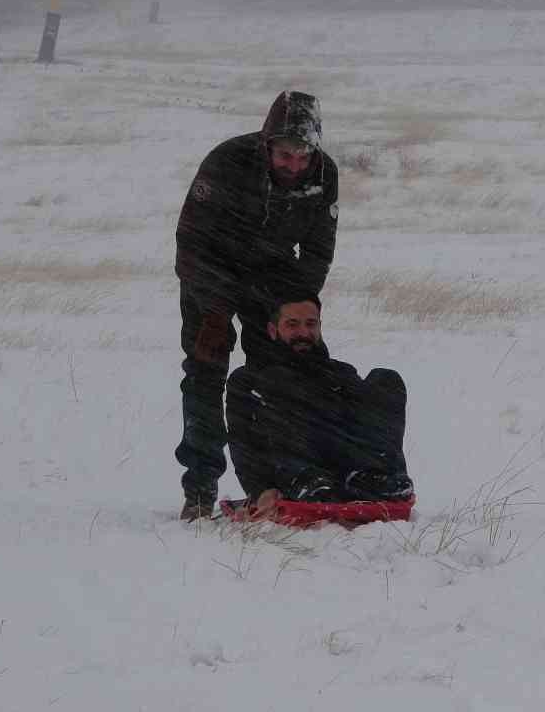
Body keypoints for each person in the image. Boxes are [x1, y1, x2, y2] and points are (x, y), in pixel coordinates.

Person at [173, 90, 340, 520]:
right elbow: (191, 243)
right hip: (212, 271)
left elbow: (319, 248)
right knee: (206, 371)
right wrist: (214, 311)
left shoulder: (325, 174)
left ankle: (287, 477)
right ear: (267, 144)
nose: (294, 166)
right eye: (285, 156)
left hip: (274, 278)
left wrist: (300, 306)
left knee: (289, 374)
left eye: (302, 157)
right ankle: (200, 485)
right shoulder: (225, 163)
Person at [225, 294, 413, 521]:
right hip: (293, 471)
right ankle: (309, 482)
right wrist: (259, 490)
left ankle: (373, 476)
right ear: (273, 330)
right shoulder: (248, 380)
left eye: (310, 324)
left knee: (386, 380)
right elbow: (242, 443)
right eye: (292, 324)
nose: (303, 333)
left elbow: (369, 424)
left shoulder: (339, 374)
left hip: (343, 467)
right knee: (280, 383)